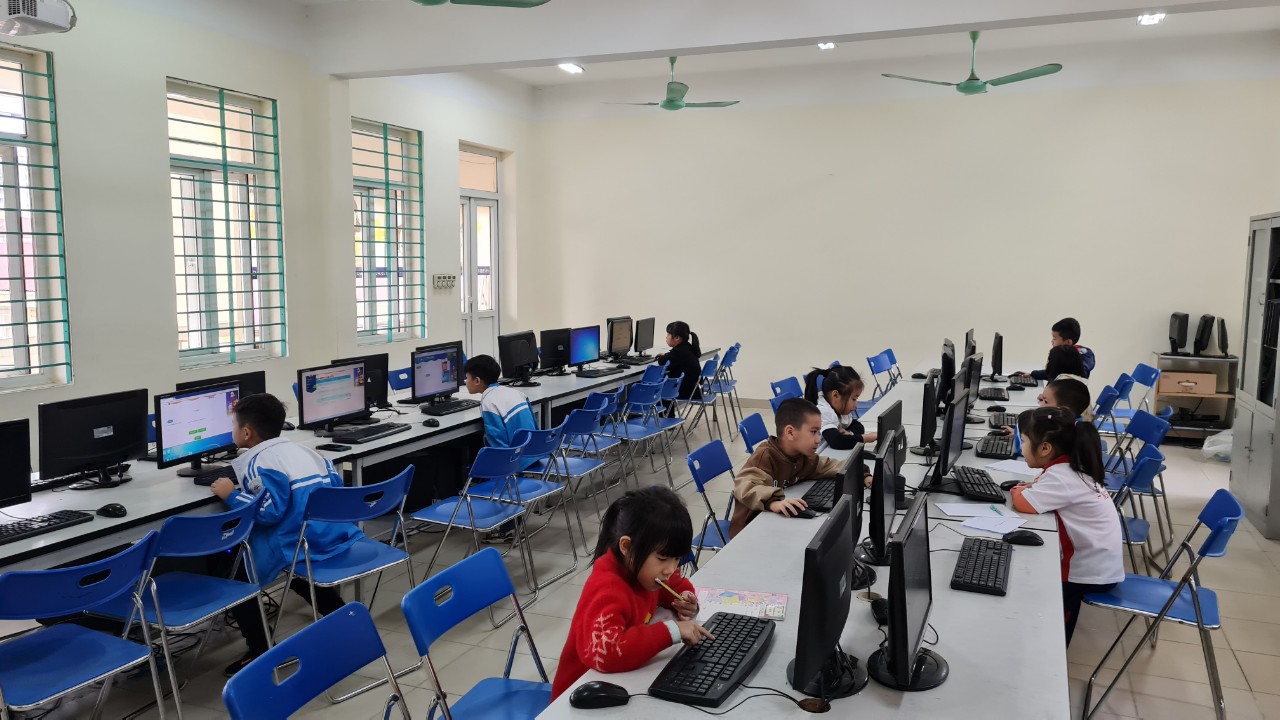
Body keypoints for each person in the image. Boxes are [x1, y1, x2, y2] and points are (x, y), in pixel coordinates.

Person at [210, 393, 361, 676]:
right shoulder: (308, 452)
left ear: (246, 432)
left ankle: (261, 648)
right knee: (299, 572)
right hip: (328, 536)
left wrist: (231, 495)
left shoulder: (259, 462)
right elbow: (336, 488)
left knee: (235, 575)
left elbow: (269, 513)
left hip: (294, 543)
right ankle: (345, 619)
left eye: (233, 425)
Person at [552, 487, 711, 700]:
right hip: (579, 695)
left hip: (620, 681)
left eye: (676, 559)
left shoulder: (646, 571)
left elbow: (675, 584)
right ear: (627, 547)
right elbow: (607, 652)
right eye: (663, 559)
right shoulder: (607, 588)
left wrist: (685, 599)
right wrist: (672, 631)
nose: (670, 569)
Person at [1010, 407, 1123, 645]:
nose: (1021, 447)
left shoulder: (1062, 477)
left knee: (1049, 611)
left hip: (1088, 573)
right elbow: (1037, 489)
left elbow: (1023, 503)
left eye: (1024, 441)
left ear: (1045, 448)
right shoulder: (1068, 469)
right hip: (1099, 562)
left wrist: (1016, 489)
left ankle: (1053, 649)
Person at [729, 398, 851, 537]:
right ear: (790, 433)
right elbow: (746, 486)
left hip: (777, 525)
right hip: (748, 530)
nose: (818, 439)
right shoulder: (765, 457)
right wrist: (772, 502)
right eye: (813, 432)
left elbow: (827, 465)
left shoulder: (801, 455)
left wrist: (862, 473)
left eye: (819, 432)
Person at [464, 354, 538, 463]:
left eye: (467, 377)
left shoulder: (489, 402)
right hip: (534, 454)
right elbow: (535, 427)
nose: (465, 381)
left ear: (477, 381)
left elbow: (497, 442)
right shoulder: (517, 393)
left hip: (515, 462)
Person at [802, 365, 878, 449]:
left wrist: (850, 433)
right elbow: (837, 442)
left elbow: (858, 426)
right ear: (835, 395)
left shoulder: (838, 408)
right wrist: (865, 438)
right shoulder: (824, 412)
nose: (856, 405)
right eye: (853, 399)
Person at [1017, 317, 1096, 380]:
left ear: (1068, 342)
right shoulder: (1062, 355)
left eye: (1054, 338)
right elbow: (1053, 373)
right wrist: (1033, 374)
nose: (1052, 341)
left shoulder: (1078, 364)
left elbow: (1060, 376)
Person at [654, 321, 703, 400]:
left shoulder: (679, 352)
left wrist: (661, 357)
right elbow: (671, 357)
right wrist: (665, 355)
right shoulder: (687, 348)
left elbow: (662, 362)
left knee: (652, 387)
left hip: (685, 392)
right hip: (694, 390)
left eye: (668, 334)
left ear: (677, 338)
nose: (666, 337)